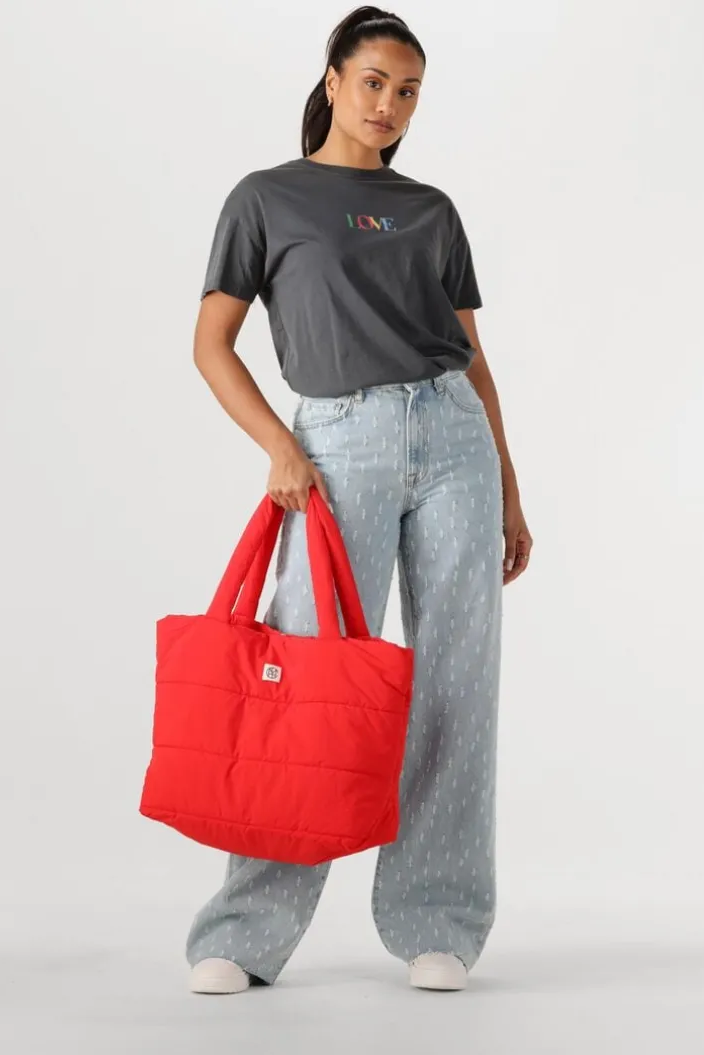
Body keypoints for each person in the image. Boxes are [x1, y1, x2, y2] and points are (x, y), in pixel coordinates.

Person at [186, 4, 533, 995]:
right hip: (340, 443)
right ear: (334, 79)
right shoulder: (266, 198)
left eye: (408, 91)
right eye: (374, 82)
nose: (389, 104)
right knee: (307, 675)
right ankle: (248, 928)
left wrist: (510, 490)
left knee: (457, 681)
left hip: (455, 441)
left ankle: (439, 918)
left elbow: (473, 359)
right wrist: (281, 446)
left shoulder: (431, 210)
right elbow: (211, 345)